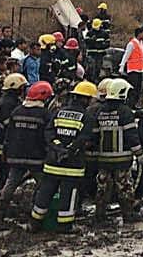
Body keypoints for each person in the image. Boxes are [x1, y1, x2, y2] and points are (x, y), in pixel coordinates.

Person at [33, 80, 96, 231]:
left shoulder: (58, 112)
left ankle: (35, 222)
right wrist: (69, 150)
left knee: (45, 192)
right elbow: (84, 139)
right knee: (69, 194)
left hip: (53, 162)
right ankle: (65, 225)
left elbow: (48, 133)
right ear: (86, 99)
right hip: (72, 165)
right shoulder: (87, 117)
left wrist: (57, 147)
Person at [85, 79, 141, 224]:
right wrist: (139, 154)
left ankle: (100, 215)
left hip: (103, 160)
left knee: (102, 187)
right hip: (122, 160)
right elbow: (131, 136)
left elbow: (95, 136)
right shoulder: (125, 112)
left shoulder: (100, 111)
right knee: (125, 187)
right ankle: (128, 215)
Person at [0, 80, 51, 219]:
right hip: (36, 158)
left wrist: (6, 152)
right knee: (43, 185)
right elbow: (46, 137)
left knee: (11, 183)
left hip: (15, 156)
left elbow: (9, 135)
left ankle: (0, 211)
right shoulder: (44, 114)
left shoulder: (17, 110)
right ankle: (38, 211)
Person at [0, 73, 27, 190]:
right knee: (4, 167)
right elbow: (9, 123)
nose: (23, 90)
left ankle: (0, 188)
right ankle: (1, 189)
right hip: (0, 140)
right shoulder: (9, 102)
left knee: (3, 168)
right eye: (22, 88)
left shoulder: (7, 99)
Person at [121, 26, 143, 106]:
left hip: (140, 69)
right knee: (133, 89)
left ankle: (135, 104)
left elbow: (141, 55)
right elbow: (126, 55)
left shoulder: (141, 43)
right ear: (139, 34)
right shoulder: (131, 43)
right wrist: (122, 66)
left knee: (138, 89)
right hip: (132, 69)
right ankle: (130, 104)